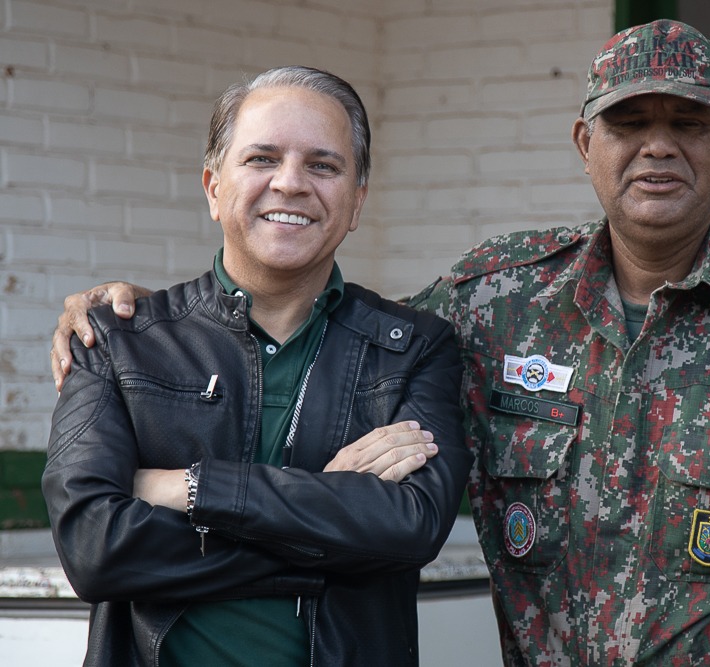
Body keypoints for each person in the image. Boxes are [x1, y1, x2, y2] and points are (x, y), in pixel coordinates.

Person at [51, 20, 710, 666]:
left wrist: (186, 489)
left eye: (690, 124)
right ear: (584, 143)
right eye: (631, 125)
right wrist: (128, 310)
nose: (658, 149)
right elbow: (306, 307)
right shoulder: (496, 300)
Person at [42, 65, 472, 666]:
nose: (291, 184)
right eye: (262, 159)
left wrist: (188, 489)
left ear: (357, 201)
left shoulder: (414, 348)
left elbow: (412, 529)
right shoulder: (117, 340)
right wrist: (334, 509)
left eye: (323, 165)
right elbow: (94, 550)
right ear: (213, 187)